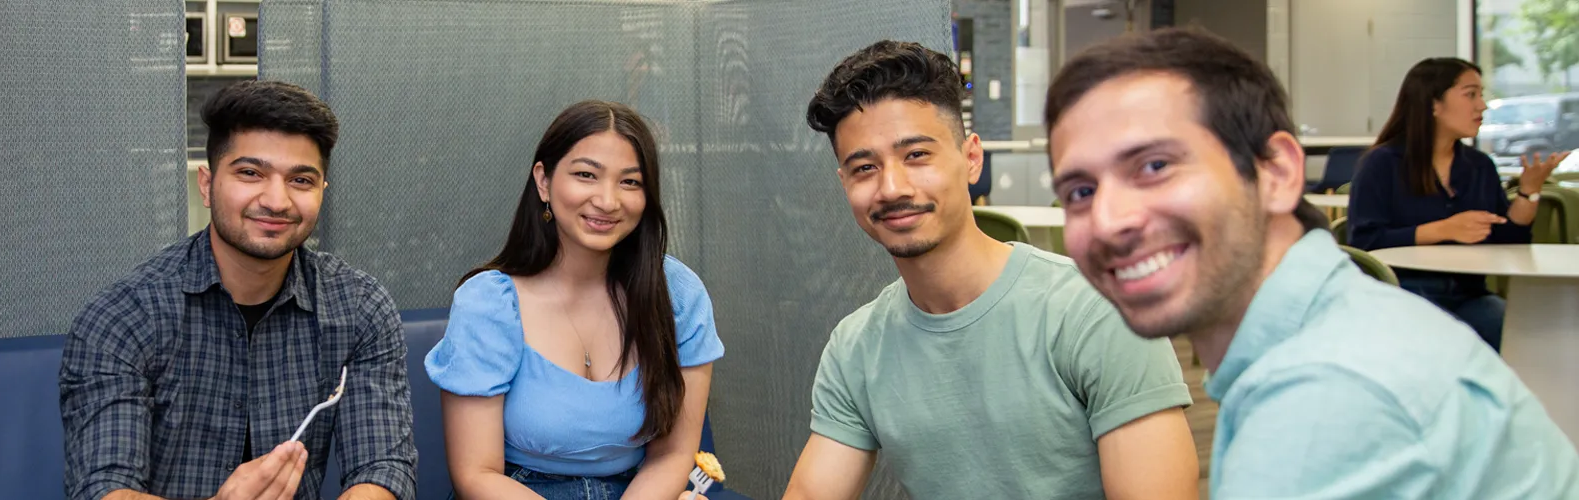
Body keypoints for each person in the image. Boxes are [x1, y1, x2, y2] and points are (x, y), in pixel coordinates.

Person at [1046, 28, 1579, 497]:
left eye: (1155, 165)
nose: (1110, 219)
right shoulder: (1340, 329)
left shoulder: (1324, 396)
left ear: (1277, 173)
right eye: (1080, 190)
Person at [782, 40, 1197, 500]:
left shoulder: (1094, 313)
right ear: (845, 184)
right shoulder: (856, 347)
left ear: (971, 158)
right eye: (864, 167)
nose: (892, 187)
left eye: (917, 155)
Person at [61, 80, 416, 500]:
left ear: (322, 192)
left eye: (301, 180)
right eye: (250, 173)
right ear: (208, 184)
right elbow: (103, 488)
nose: (277, 200)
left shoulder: (359, 307)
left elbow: (382, 468)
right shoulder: (124, 315)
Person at [427, 100, 724, 500]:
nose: (607, 200)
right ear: (544, 181)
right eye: (587, 175)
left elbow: (671, 455)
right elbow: (476, 473)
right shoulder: (488, 304)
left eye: (630, 182)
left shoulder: (678, 296)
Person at [1348, 57, 1569, 352]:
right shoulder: (1382, 164)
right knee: (1454, 348)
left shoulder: (1479, 166)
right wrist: (1443, 229)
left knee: (1530, 345)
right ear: (1433, 104)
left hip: (1469, 296)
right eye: (1470, 94)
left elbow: (1507, 241)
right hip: (1404, 295)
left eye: (1481, 94)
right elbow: (1364, 242)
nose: (1482, 106)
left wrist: (1529, 193)